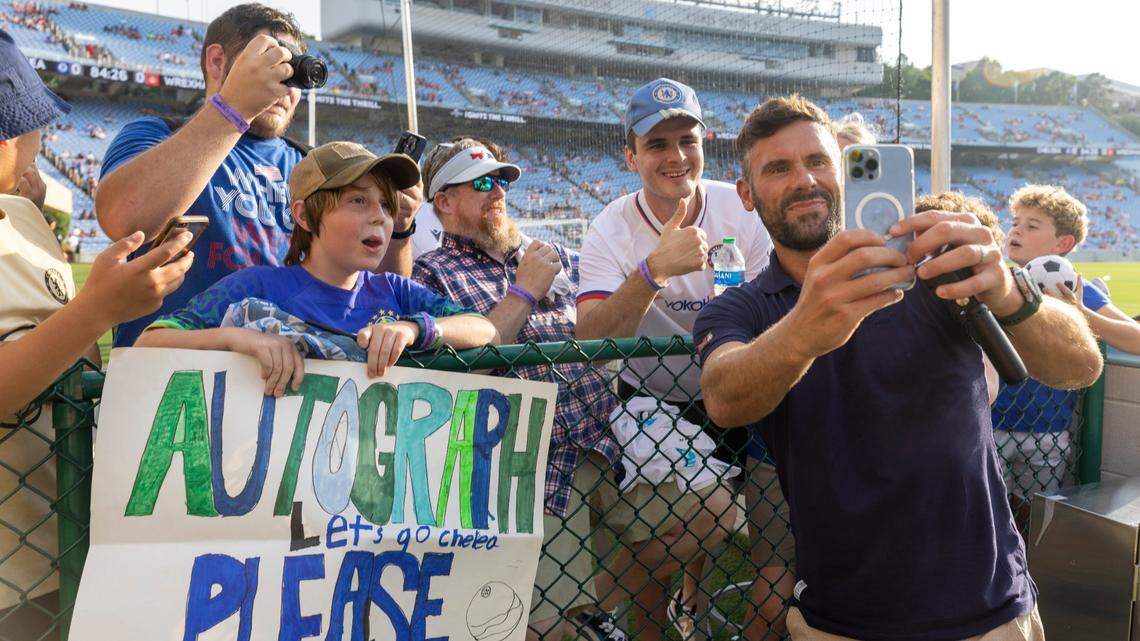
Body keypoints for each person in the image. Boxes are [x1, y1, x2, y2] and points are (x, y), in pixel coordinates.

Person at [695, 95, 1102, 641]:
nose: (804, 180)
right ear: (746, 195)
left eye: (818, 161)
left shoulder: (935, 270)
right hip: (842, 620)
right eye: (778, 168)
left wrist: (1008, 290)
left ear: (843, 170)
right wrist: (805, 326)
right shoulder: (744, 308)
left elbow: (1081, 365)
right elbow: (724, 396)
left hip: (990, 610)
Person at [0, 29, 193, 639]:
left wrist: (97, 298)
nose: (38, 141)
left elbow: (61, 351)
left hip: (66, 537)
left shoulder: (24, 215)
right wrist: (98, 310)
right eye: (26, 127)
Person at [574, 77, 780, 639]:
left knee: (729, 532)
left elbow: (777, 310)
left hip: (741, 386)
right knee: (694, 515)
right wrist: (652, 271)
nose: (676, 157)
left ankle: (683, 611)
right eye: (657, 145)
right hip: (656, 399)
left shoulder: (741, 210)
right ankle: (628, 621)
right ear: (630, 156)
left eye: (687, 140)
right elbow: (591, 341)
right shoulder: (612, 225)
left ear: (705, 143)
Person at [96, 3, 421, 348]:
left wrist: (399, 229)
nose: (287, 85)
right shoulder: (156, 137)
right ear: (218, 62)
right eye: (274, 63)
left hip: (290, 379)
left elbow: (372, 294)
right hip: (172, 371)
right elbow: (122, 217)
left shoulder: (313, 166)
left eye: (294, 73)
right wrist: (233, 109)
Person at [410, 138, 630, 641]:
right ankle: (587, 619)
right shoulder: (432, 274)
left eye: (502, 181)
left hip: (610, 442)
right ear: (443, 201)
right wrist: (525, 291)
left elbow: (610, 324)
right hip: (536, 467)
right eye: (482, 182)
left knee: (711, 517)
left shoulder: (561, 258)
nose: (498, 192)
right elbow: (466, 372)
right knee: (550, 628)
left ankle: (598, 613)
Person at [135, 141, 496, 391]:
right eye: (358, 200)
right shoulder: (255, 286)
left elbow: (485, 331)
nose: (380, 218)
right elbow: (148, 344)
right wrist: (238, 339)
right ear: (305, 215)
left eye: (387, 206)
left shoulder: (395, 291)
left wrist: (413, 329)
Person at [995, 184, 1140, 523]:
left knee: (1034, 515)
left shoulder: (1076, 288)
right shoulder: (996, 282)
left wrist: (1079, 313)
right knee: (989, 511)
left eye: (1032, 225)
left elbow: (1136, 338)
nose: (1016, 229)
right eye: (1015, 221)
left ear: (1063, 244)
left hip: (1049, 431)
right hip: (990, 423)